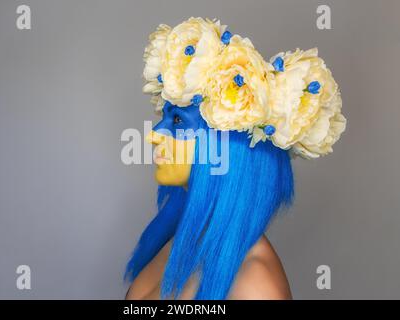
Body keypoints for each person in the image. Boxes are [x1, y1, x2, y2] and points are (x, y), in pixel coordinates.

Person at [124, 17, 346, 300]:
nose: (154, 134)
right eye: (164, 117)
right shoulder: (182, 239)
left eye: (178, 121)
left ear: (228, 148)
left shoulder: (256, 285)